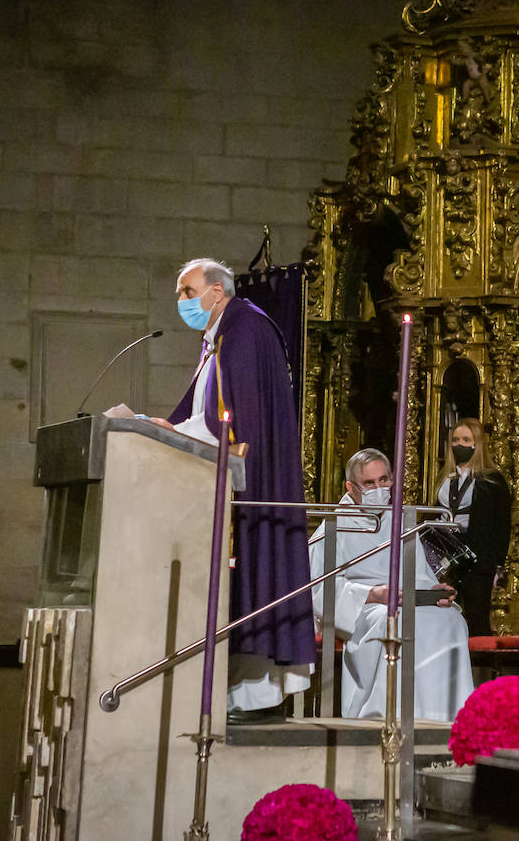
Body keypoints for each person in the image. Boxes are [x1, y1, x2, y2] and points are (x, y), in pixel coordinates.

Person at [149, 257, 315, 723]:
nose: (181, 302)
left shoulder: (244, 331)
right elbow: (205, 413)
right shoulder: (222, 335)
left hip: (250, 485)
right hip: (222, 485)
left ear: (216, 293)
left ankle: (256, 693)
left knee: (253, 578)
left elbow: (237, 423)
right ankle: (236, 688)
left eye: (187, 292)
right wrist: (168, 428)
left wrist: (180, 432)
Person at [310, 448, 474, 721]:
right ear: (351, 487)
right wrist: (372, 595)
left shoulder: (400, 522)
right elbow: (319, 590)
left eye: (384, 480)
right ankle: (390, 713)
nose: (379, 488)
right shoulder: (334, 526)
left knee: (451, 621)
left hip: (403, 600)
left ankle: (445, 715)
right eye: (369, 483)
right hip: (363, 608)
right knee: (396, 623)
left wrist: (433, 592)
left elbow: (419, 574)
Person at [436, 417, 512, 636]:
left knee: (476, 619)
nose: (459, 445)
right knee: (446, 618)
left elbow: (501, 526)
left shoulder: (492, 480)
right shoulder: (445, 477)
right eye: (456, 440)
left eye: (466, 440)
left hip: (477, 560)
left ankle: (478, 667)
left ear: (477, 444)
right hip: (446, 557)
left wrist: (499, 566)